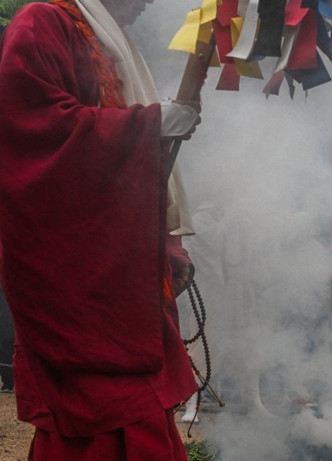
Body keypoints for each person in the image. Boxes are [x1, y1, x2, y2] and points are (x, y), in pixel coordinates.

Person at [0, 0, 202, 459]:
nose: (151, 3)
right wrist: (151, 123)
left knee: (136, 408)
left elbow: (132, 183)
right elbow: (32, 131)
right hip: (76, 277)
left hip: (122, 270)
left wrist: (170, 247)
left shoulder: (111, 38)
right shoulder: (41, 22)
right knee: (103, 409)